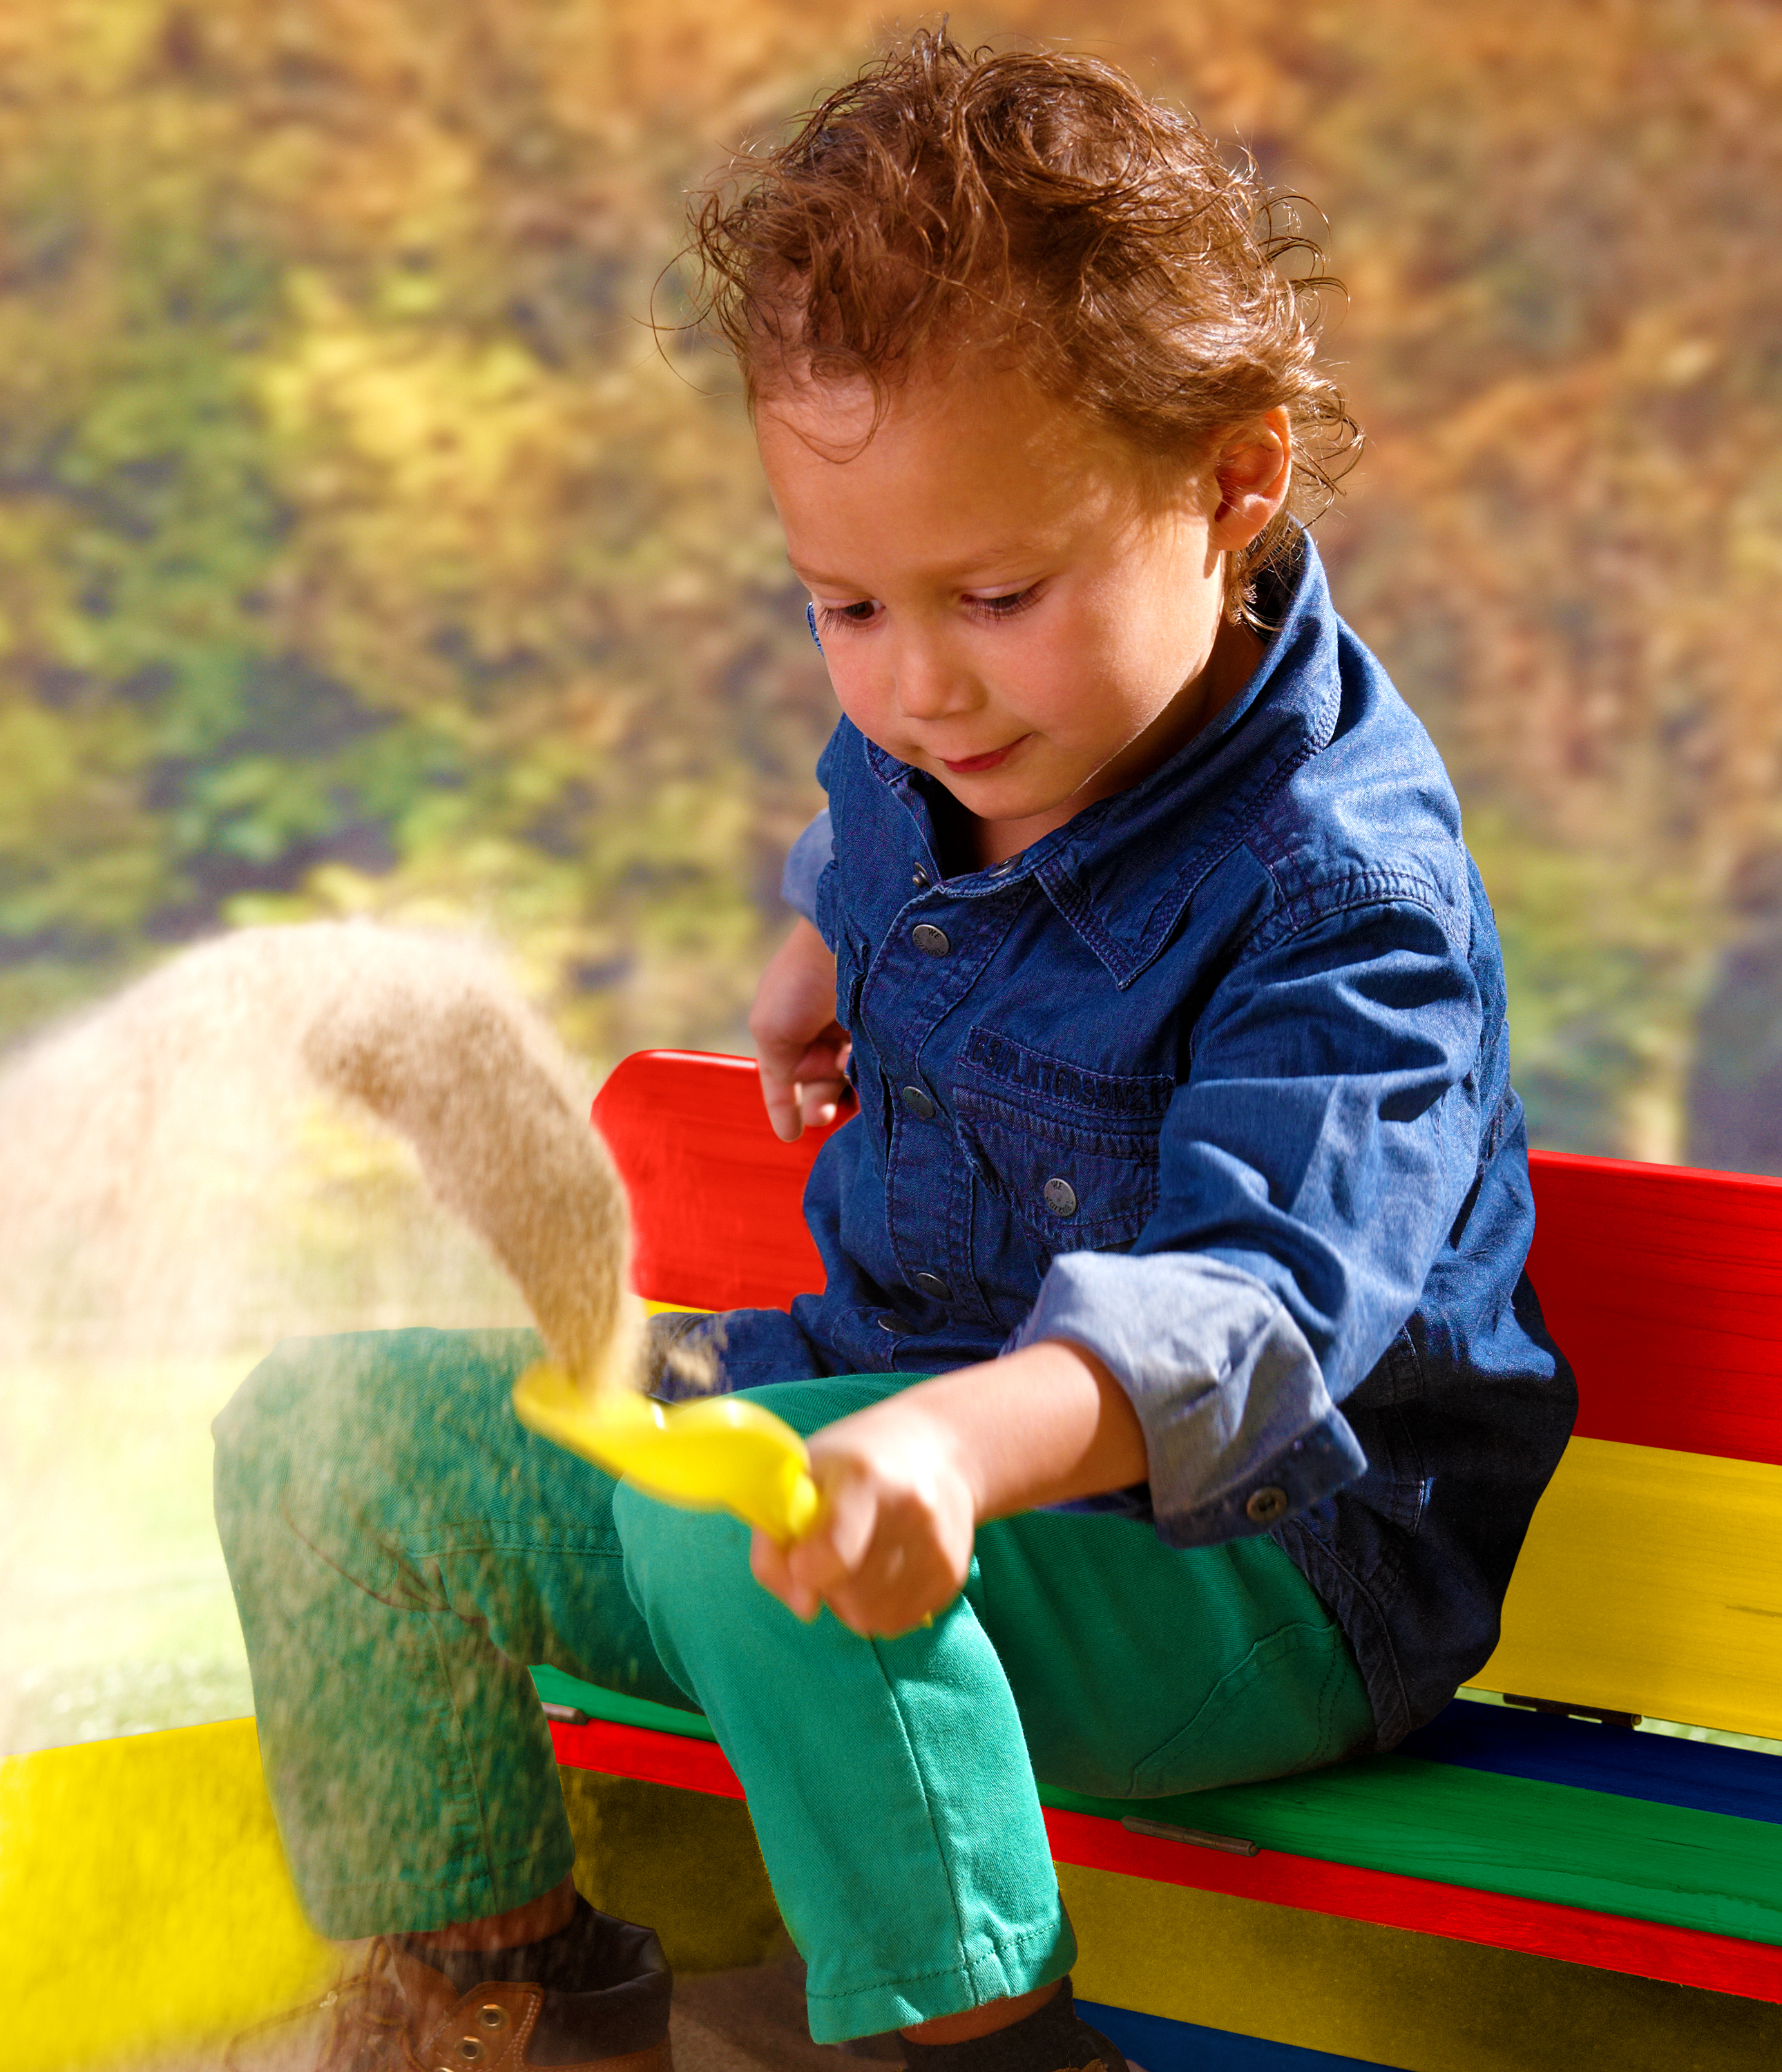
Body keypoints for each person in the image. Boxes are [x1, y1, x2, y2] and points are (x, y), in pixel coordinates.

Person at [212, 32, 1576, 2072]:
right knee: (333, 1439)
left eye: (994, 594)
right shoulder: (982, 713)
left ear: (1235, 479)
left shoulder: (1338, 892)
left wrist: (947, 1445)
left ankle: (991, 2048)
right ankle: (497, 1990)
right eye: (841, 601)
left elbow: (1253, 1307)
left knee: (745, 1526)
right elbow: (879, 812)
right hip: (882, 1428)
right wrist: (817, 944)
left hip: (1247, 1575)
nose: (916, 680)